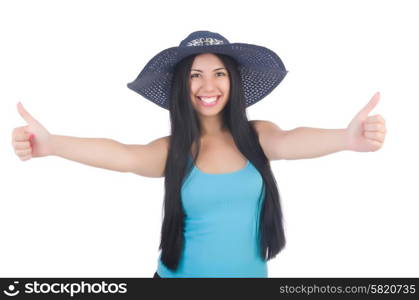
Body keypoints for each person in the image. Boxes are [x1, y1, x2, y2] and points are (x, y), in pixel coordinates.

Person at [11, 31, 387, 278]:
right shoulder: (174, 152)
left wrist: (347, 138)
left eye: (219, 73)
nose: (208, 85)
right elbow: (122, 155)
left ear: (233, 82)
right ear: (182, 86)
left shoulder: (258, 137)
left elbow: (292, 141)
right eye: (195, 75)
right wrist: (52, 144)